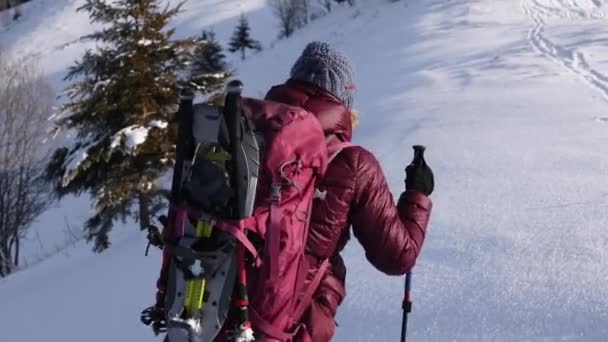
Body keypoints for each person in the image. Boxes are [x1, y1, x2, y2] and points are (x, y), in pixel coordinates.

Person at [261, 41, 434, 341]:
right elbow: (397, 257)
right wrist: (417, 195)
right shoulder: (353, 163)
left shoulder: (246, 137)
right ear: (344, 101)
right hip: (284, 328)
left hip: (211, 316)